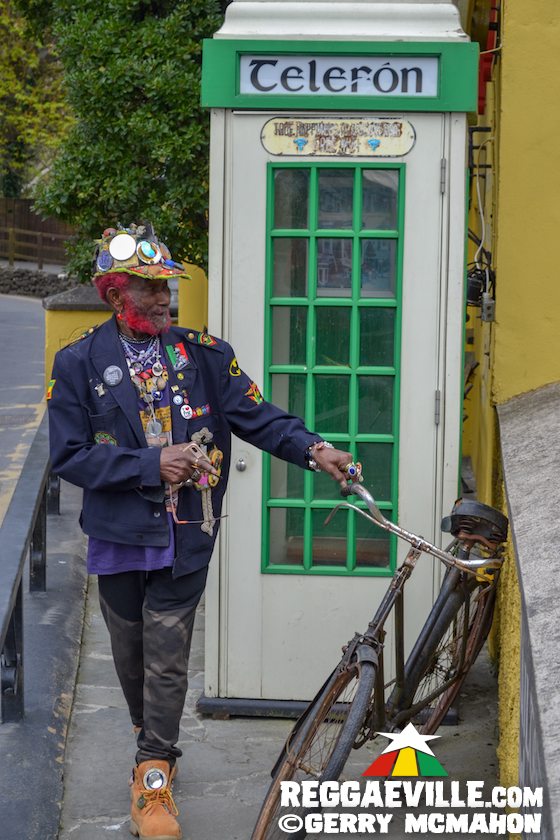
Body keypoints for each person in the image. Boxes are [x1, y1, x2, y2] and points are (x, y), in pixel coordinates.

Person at [47, 223, 359, 840]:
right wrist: (147, 462)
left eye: (168, 287)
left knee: (167, 656)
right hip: (117, 532)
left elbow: (260, 417)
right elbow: (69, 456)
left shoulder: (206, 355)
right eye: (149, 290)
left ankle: (154, 774)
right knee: (132, 654)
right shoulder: (79, 361)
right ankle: (152, 739)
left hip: (187, 528)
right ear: (115, 296)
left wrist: (315, 448)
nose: (165, 299)